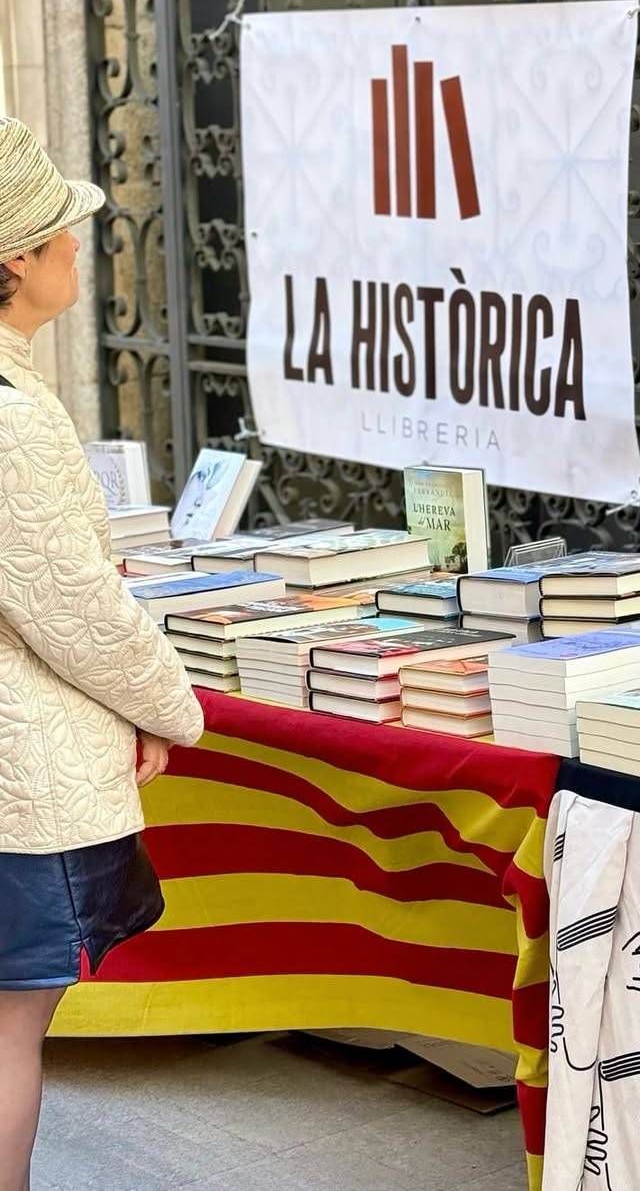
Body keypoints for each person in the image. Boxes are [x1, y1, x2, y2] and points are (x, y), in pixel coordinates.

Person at [0, 118, 204, 1191]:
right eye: (59, 233)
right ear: (13, 261)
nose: (80, 246)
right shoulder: (11, 418)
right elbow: (70, 604)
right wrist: (172, 706)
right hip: (18, 779)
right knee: (10, 1023)